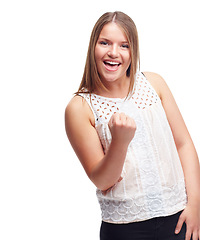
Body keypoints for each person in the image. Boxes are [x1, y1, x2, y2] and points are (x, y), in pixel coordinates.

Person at [65, 11, 200, 240]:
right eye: (104, 43)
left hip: (179, 218)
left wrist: (196, 204)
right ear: (93, 47)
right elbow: (102, 180)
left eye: (124, 45)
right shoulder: (80, 108)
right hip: (125, 229)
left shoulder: (154, 84)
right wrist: (120, 141)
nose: (113, 53)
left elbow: (183, 144)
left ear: (133, 51)